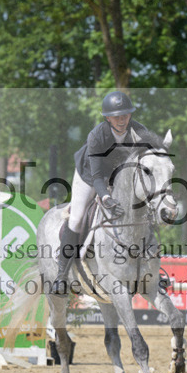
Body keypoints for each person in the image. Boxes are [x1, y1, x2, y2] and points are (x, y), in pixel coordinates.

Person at [51, 91, 164, 294]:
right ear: (107, 117)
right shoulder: (96, 135)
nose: (122, 120)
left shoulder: (139, 131)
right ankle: (61, 275)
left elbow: (147, 161)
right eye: (117, 116)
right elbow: (96, 176)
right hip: (90, 175)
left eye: (125, 115)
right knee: (76, 218)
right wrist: (105, 196)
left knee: (143, 213)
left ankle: (155, 269)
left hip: (120, 177)